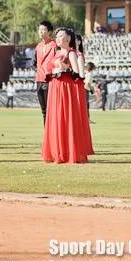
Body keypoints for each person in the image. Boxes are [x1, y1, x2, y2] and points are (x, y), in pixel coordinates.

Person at [41, 27, 92, 164]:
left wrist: (65, 68)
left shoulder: (71, 53)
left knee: (64, 117)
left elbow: (77, 74)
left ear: (68, 39)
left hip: (65, 87)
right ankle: (57, 151)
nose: (57, 39)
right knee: (56, 118)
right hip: (55, 86)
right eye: (56, 36)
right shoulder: (57, 52)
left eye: (60, 36)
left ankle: (67, 152)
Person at [34, 21, 58, 124]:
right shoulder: (38, 46)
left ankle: (53, 135)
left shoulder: (54, 45)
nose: (41, 32)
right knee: (43, 111)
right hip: (39, 80)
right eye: (40, 30)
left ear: (50, 32)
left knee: (51, 111)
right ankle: (46, 136)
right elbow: (35, 62)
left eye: (43, 30)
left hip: (49, 81)